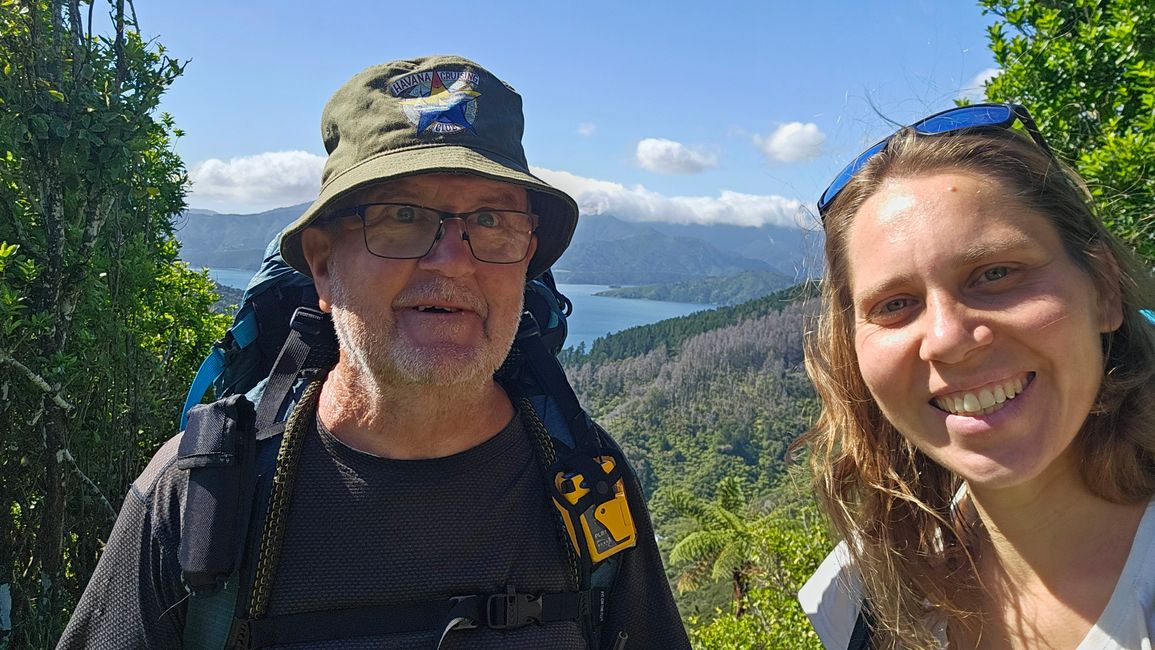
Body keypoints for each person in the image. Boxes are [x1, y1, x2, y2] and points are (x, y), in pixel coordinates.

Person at [58, 55, 689, 649]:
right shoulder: (202, 496)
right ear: (323, 264)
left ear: (526, 261)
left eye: (492, 220)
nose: (453, 260)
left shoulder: (587, 486)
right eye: (403, 215)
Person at [796, 103, 1155, 649]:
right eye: (895, 304)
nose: (948, 339)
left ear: (1103, 289)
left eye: (996, 273)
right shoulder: (865, 596)